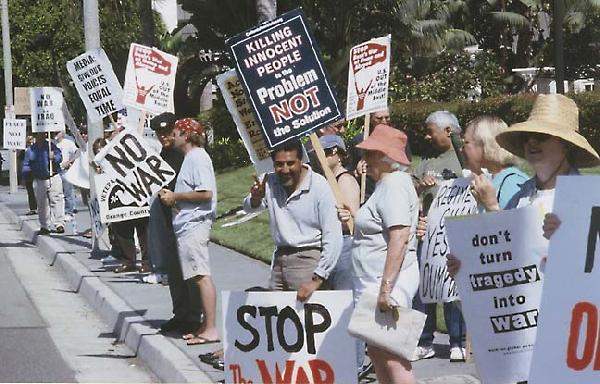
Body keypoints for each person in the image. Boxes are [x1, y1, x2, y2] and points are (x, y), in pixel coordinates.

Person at [448, 94, 600, 275]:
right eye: (527, 137)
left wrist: (568, 239)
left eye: (540, 136)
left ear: (565, 145)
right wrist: (467, 267)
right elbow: (506, 249)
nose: (531, 142)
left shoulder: (588, 197)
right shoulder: (521, 195)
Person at [337, 124, 419, 384]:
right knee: (377, 350)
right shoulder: (386, 185)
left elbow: (399, 238)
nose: (365, 160)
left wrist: (386, 289)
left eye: (371, 154)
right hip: (375, 280)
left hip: (387, 282)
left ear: (387, 158)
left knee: (392, 354)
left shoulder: (394, 185)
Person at [243, 140, 343, 300]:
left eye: (290, 163)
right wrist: (255, 197)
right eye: (279, 164)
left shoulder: (318, 185)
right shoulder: (268, 181)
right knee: (276, 316)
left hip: (308, 261)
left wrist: (318, 278)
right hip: (280, 261)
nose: (285, 170)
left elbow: (333, 237)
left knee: (306, 320)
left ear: (301, 161)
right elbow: (249, 207)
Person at [411, 110, 466, 362]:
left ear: (448, 131)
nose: (426, 135)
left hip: (455, 232)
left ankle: (458, 341)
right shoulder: (425, 160)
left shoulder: (463, 158)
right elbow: (411, 189)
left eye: (430, 130)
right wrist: (420, 185)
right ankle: (425, 341)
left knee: (452, 289)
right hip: (429, 234)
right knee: (426, 287)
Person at [159, 118, 219, 345]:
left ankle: (211, 328)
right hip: (188, 223)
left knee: (201, 276)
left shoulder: (198, 158)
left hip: (195, 224)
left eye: (175, 133)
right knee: (196, 276)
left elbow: (206, 193)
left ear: (186, 135)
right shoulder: (191, 158)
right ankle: (205, 325)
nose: (172, 137)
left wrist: (175, 196)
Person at [148, 114, 203, 336]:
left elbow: (199, 189)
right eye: (159, 133)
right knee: (173, 269)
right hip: (167, 217)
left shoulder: (187, 155)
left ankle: (193, 317)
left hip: (184, 217)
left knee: (189, 269)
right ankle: (180, 314)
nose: (164, 137)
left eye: (168, 132)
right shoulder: (163, 154)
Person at [461, 116, 529, 208]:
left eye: (466, 142)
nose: (461, 149)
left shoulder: (512, 183)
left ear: (484, 143)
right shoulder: (492, 180)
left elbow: (512, 221)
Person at [22, 132, 66, 235]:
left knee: (57, 199)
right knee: (42, 204)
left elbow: (60, 157)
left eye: (42, 135)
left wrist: (54, 157)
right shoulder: (31, 150)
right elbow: (26, 164)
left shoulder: (51, 146)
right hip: (39, 179)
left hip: (53, 177)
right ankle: (45, 226)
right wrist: (25, 176)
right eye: (38, 135)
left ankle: (59, 224)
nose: (41, 137)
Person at [55, 131, 79, 217]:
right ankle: (60, 213)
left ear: (62, 133)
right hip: (55, 171)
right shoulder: (52, 143)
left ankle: (69, 212)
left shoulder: (68, 143)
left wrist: (69, 162)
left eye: (57, 133)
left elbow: (77, 152)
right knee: (57, 194)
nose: (56, 135)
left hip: (65, 170)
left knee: (67, 192)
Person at [20, 135, 37, 215]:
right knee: (30, 191)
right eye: (28, 141)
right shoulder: (24, 151)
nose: (30, 143)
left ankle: (36, 208)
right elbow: (21, 160)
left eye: (31, 141)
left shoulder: (34, 150)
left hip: (33, 172)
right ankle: (33, 208)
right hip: (28, 173)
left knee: (35, 191)